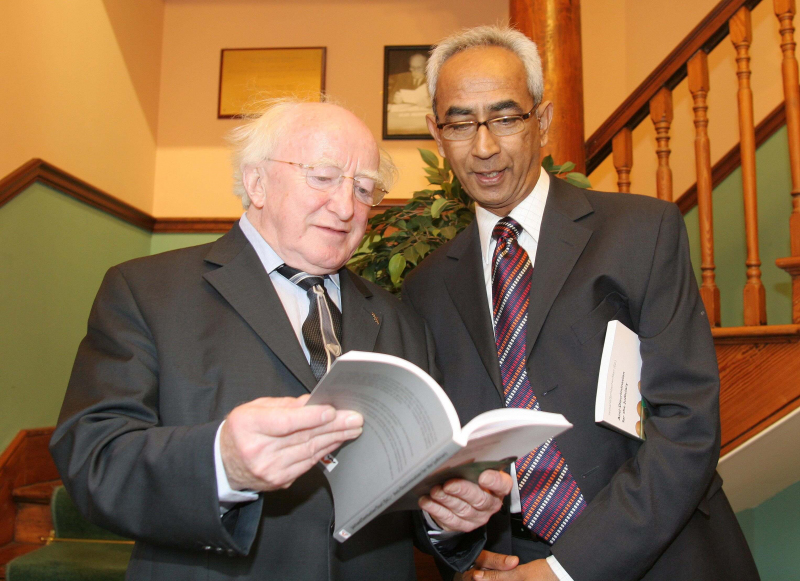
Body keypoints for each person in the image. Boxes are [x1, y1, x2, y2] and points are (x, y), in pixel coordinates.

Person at [49, 99, 511, 580]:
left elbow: (415, 491)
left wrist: (446, 516)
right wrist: (222, 463)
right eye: (324, 176)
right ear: (257, 182)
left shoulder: (399, 318)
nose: (346, 205)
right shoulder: (147, 291)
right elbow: (93, 459)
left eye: (364, 187)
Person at [402, 26, 760, 581]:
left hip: (667, 559)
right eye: (459, 123)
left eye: (506, 117)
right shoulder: (425, 289)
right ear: (436, 131)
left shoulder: (643, 232)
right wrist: (460, 547)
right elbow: (431, 468)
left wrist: (565, 571)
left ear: (542, 120)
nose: (484, 146)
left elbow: (686, 427)